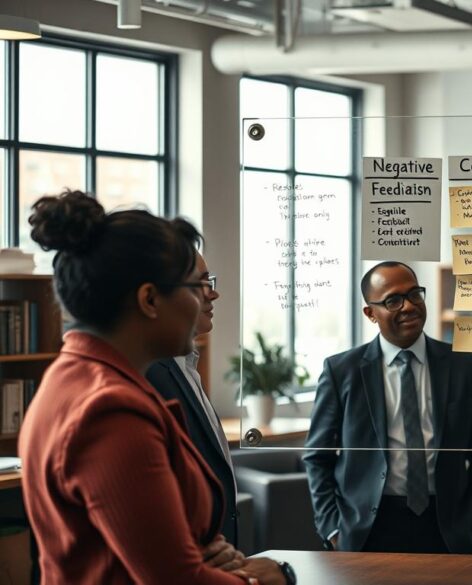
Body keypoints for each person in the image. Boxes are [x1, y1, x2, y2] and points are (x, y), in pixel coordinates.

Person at [19, 191, 290, 585]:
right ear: (149, 299)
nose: (203, 302)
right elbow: (175, 578)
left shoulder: (74, 377)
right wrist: (270, 578)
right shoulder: (109, 410)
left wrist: (201, 550)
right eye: (192, 287)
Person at [304, 261, 472, 554]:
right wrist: (334, 528)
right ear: (370, 313)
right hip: (367, 528)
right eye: (393, 300)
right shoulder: (341, 371)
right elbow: (317, 457)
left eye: (414, 295)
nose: (409, 306)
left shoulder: (465, 365)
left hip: (447, 526)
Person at [146, 252, 241, 552]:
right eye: (199, 283)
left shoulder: (185, 363)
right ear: (152, 296)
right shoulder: (148, 373)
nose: (213, 293)